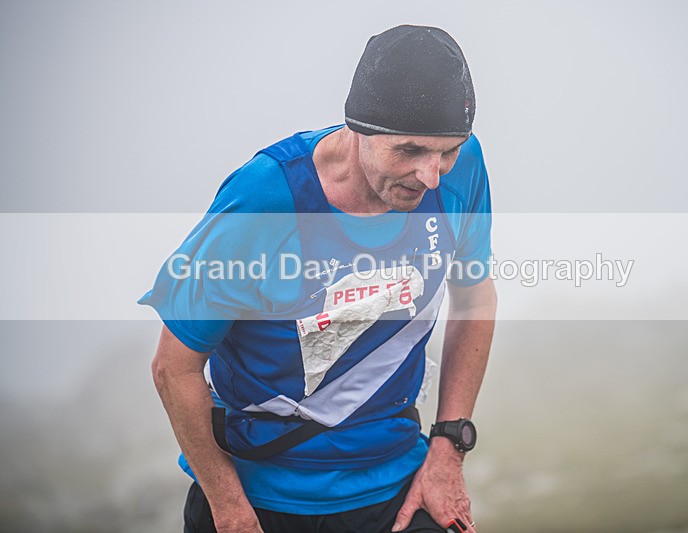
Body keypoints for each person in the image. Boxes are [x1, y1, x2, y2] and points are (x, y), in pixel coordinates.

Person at [140, 25, 496, 533]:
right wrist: (230, 511)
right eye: (410, 151)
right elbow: (173, 368)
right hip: (261, 496)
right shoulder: (265, 199)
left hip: (396, 486)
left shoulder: (461, 169)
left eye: (448, 151)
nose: (432, 175)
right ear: (358, 129)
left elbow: (476, 297)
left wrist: (448, 449)